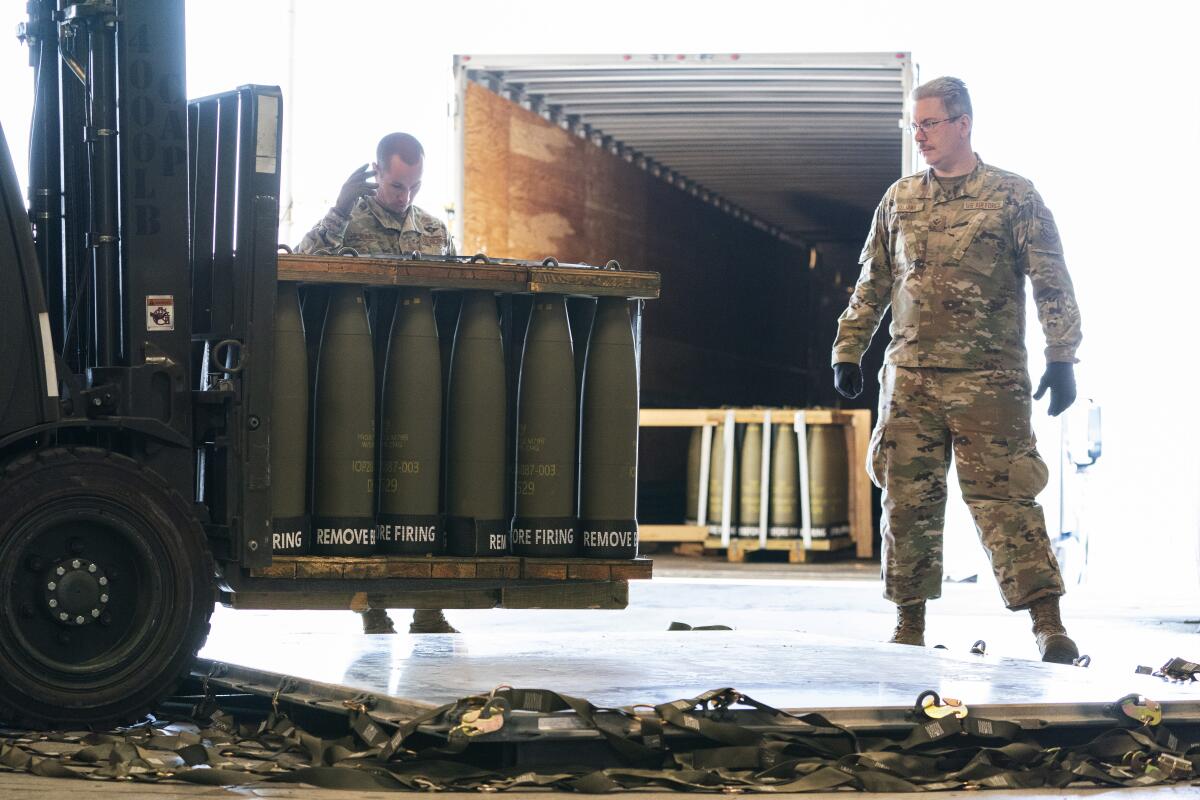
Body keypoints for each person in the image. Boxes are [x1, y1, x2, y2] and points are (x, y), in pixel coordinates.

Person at [830, 77, 1082, 664]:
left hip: (988, 383)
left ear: (963, 123)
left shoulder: (1012, 196)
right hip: (911, 379)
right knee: (906, 501)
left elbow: (1050, 279)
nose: (920, 135)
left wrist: (1062, 355)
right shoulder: (899, 200)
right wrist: (849, 348)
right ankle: (908, 623)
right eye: (914, 126)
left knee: (1007, 501)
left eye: (930, 124)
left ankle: (1048, 624)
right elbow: (874, 282)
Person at [297, 132, 457, 636]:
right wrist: (337, 211)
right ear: (374, 172)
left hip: (421, 376)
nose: (404, 195)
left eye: (413, 186)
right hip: (359, 369)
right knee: (367, 489)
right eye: (394, 185)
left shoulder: (434, 230)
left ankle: (429, 607)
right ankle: (374, 604)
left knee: (426, 489)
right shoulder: (346, 222)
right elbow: (299, 264)